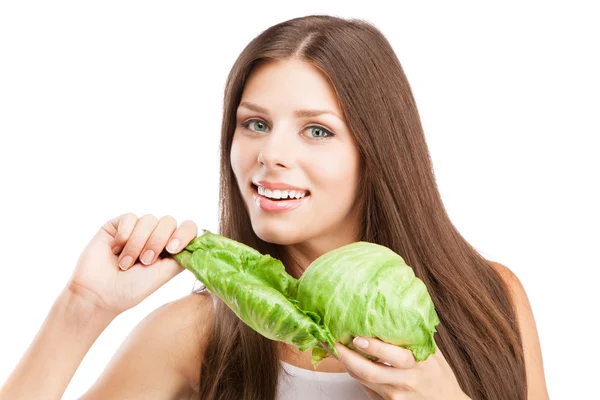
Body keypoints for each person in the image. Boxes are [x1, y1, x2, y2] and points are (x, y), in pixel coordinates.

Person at [0, 14, 549, 400]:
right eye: (255, 124)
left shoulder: (490, 299)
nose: (270, 156)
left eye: (316, 130)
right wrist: (83, 305)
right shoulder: (199, 332)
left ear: (377, 152)